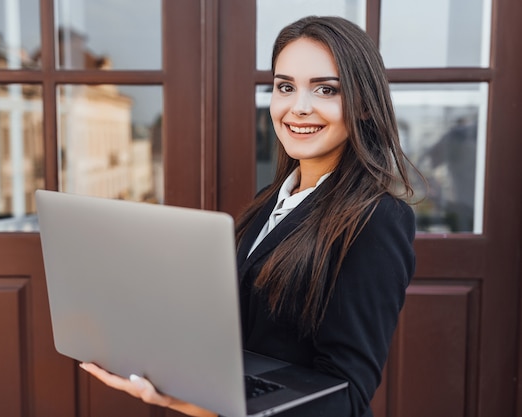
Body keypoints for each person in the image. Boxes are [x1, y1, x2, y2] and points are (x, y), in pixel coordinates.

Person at [80, 15, 417, 417]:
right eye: (285, 87)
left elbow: (344, 400)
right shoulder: (269, 201)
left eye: (326, 89)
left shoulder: (377, 219)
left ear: (363, 105)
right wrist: (173, 376)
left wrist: (198, 402)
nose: (299, 107)